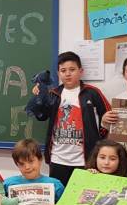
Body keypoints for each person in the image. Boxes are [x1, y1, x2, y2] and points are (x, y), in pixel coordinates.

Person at [28, 51, 111, 187]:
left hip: (85, 160)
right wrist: (39, 97)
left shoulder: (92, 92)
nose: (67, 74)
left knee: (83, 199)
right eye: (63, 70)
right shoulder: (53, 93)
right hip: (57, 158)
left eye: (72, 70)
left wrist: (98, 140)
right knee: (59, 199)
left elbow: (108, 117)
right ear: (58, 73)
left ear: (81, 71)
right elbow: (42, 116)